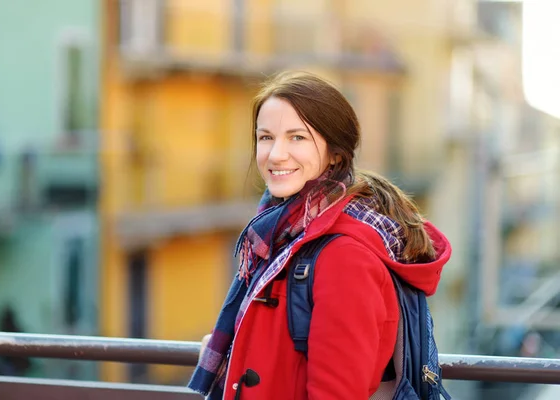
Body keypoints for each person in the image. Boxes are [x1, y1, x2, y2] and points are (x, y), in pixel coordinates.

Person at [188, 71, 451, 400]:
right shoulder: (282, 235)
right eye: (266, 137)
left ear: (335, 153)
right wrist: (234, 355)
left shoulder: (344, 256)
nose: (275, 154)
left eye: (297, 137)